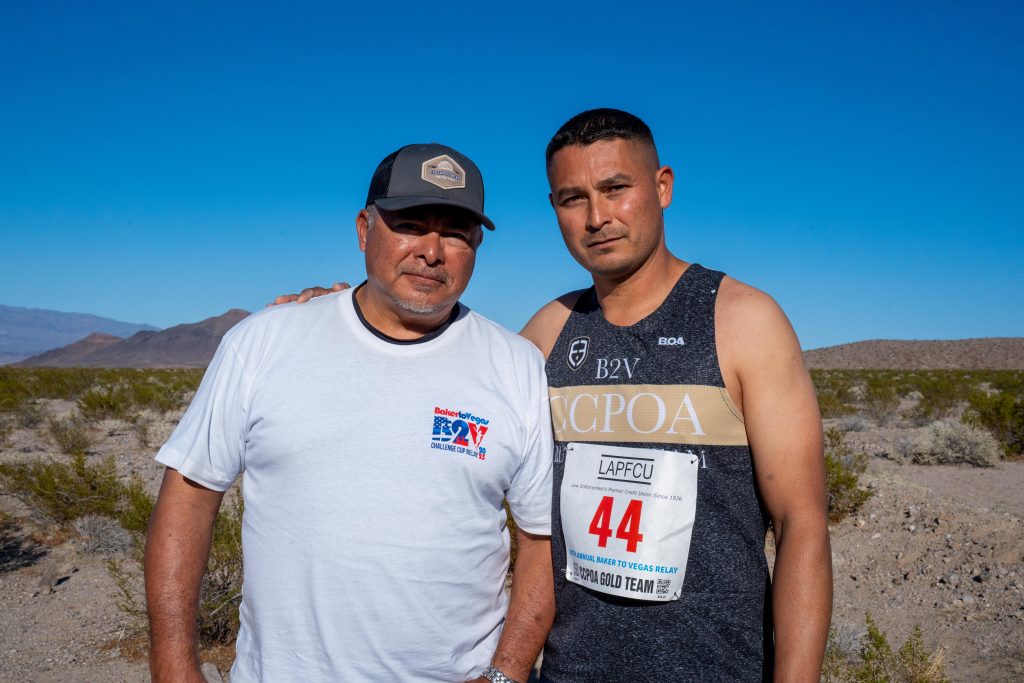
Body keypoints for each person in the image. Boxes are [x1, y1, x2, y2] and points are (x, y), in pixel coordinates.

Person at [284, 110, 833, 682]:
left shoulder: (743, 321)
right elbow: (428, 367)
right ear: (554, 209)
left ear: (662, 187)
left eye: (616, 189)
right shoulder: (546, 335)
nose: (597, 217)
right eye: (573, 199)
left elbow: (802, 525)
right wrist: (343, 311)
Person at [145, 143, 555, 683]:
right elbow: (189, 499)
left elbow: (542, 540)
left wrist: (506, 674)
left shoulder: (515, 365)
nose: (432, 252)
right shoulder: (266, 341)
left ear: (476, 245)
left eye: (455, 233)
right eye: (410, 224)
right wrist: (173, 666)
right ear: (365, 229)